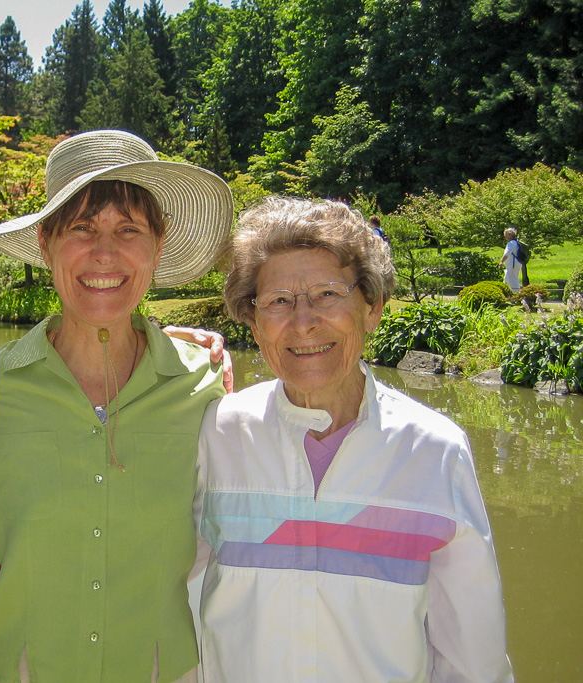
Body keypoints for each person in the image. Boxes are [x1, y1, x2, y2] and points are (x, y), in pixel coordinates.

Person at [0, 130, 234, 682]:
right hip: (11, 667)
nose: (105, 253)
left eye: (129, 230)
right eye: (81, 228)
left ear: (158, 245)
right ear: (46, 244)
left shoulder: (208, 384)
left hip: (157, 668)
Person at [195, 197, 514, 682]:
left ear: (372, 308)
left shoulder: (431, 450)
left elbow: (472, 653)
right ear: (254, 325)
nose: (303, 321)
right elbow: (176, 603)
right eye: (278, 301)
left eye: (327, 294)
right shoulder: (217, 435)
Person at [500, 226, 522, 292]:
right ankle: (507, 295)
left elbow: (507, 254)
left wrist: (501, 261)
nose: (504, 235)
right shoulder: (516, 242)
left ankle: (517, 295)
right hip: (514, 264)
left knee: (513, 280)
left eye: (506, 234)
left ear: (510, 235)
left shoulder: (511, 243)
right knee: (506, 279)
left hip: (513, 264)